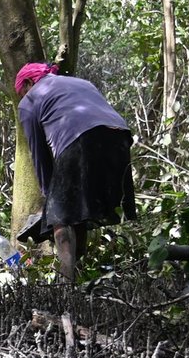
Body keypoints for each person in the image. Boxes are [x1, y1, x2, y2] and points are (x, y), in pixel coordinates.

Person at [14, 63, 137, 282]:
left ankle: (65, 284)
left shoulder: (29, 101)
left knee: (60, 218)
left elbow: (39, 154)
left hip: (80, 138)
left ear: (29, 83)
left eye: (21, 92)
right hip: (119, 137)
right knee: (78, 210)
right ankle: (80, 272)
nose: (22, 97)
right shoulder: (81, 83)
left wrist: (49, 200)